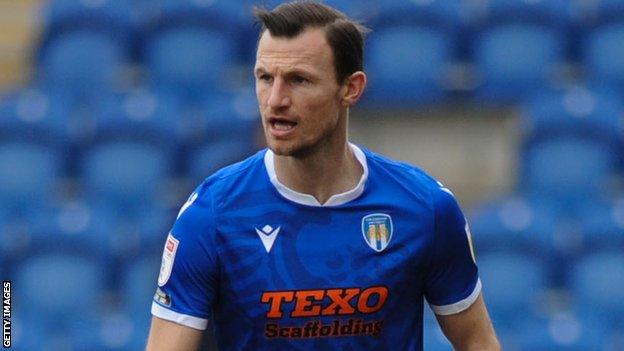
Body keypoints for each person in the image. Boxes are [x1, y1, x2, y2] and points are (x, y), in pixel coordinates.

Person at [146, 1, 500, 350]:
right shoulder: (213, 213)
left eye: (298, 80)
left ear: (351, 88)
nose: (275, 100)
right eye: (265, 78)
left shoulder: (425, 208)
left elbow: (476, 341)